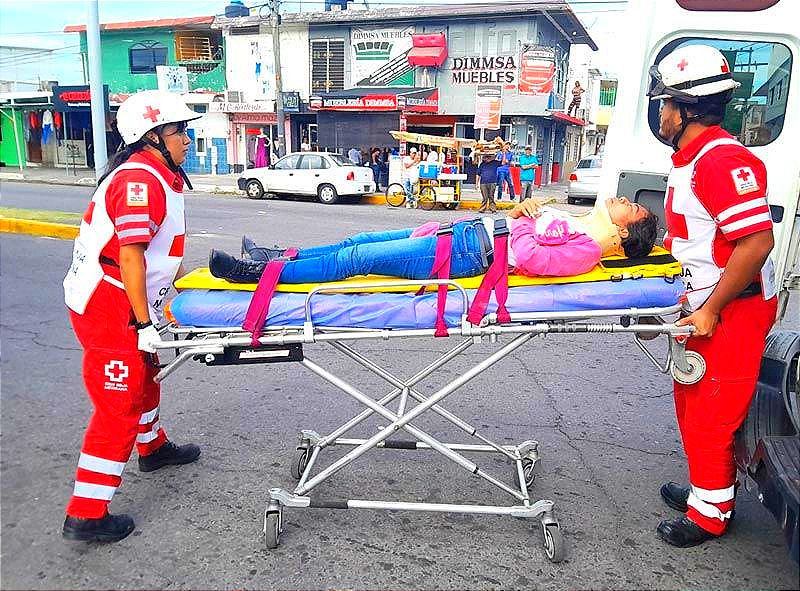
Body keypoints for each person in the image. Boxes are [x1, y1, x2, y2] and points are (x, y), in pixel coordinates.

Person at [647, 44, 777, 548]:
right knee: (692, 402)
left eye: (665, 104)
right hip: (705, 303)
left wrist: (710, 310)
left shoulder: (723, 162)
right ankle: (709, 488)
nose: (661, 113)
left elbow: (757, 242)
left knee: (712, 411)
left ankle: (710, 514)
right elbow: (698, 238)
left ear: (686, 108)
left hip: (731, 308)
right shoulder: (693, 158)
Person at [61, 90, 203, 543]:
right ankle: (85, 513)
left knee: (147, 376)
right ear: (152, 136)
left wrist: (183, 298)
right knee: (118, 403)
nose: (187, 139)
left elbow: (162, 255)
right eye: (180, 131)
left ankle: (153, 448)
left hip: (130, 299)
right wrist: (144, 323)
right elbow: (130, 256)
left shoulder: (162, 176)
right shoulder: (138, 181)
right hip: (110, 306)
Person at [209, 196, 658, 285]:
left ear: (624, 233)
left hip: (465, 252)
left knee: (357, 259)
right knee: (358, 239)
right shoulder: (582, 227)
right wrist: (521, 213)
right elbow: (528, 235)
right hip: (462, 234)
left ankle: (257, 273)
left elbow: (525, 254)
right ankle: (279, 257)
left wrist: (519, 222)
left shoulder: (587, 249)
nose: (623, 199)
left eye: (632, 208)